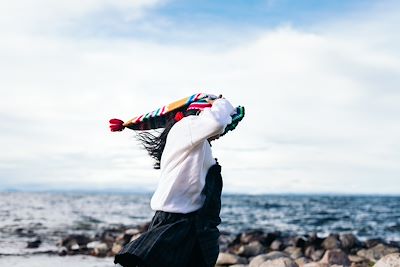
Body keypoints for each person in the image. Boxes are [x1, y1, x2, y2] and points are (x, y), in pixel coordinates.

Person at [111, 94, 244, 267]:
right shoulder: (185, 126)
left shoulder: (199, 144)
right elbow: (217, 123)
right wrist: (220, 102)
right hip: (174, 222)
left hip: (196, 225)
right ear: (201, 114)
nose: (222, 133)